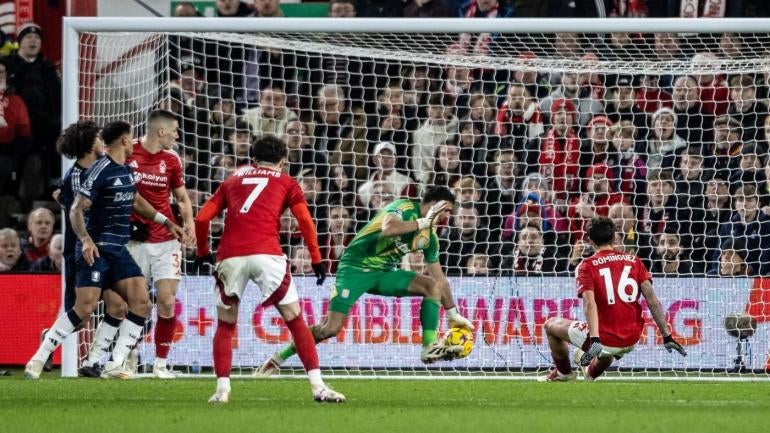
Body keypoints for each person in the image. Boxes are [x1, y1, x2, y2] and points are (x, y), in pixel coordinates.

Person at [25, 121, 184, 380]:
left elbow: (134, 200)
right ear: (123, 140)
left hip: (117, 250)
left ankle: (114, 363)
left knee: (140, 303)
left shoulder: (125, 171)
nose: (135, 143)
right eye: (131, 137)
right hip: (94, 249)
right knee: (84, 311)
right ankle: (39, 357)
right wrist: (86, 240)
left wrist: (166, 222)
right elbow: (76, 209)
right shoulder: (95, 172)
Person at [257, 186, 474, 375]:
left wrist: (453, 315)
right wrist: (422, 222)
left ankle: (428, 347)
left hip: (384, 273)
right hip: (355, 268)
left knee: (432, 286)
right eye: (445, 210)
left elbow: (440, 279)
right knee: (329, 329)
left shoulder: (430, 238)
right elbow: (389, 227)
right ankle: (277, 359)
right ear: (434, 204)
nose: (447, 216)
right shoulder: (405, 207)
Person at [194, 136, 344, 404]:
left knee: (226, 324)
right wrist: (317, 258)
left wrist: (203, 252)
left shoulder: (232, 181)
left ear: (253, 160)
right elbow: (305, 221)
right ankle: (318, 387)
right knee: (296, 321)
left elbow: (202, 217)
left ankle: (222, 390)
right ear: (283, 162)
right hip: (267, 253)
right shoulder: (287, 181)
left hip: (231, 255)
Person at [541, 216, 686, 382]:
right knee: (607, 352)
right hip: (631, 339)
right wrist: (667, 335)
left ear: (590, 240)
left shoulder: (586, 266)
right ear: (614, 237)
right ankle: (590, 373)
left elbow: (589, 304)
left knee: (550, 325)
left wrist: (594, 339)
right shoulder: (635, 261)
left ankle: (564, 374)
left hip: (605, 340)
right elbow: (653, 301)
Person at [108, 109, 196, 378]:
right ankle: (125, 354)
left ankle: (160, 364)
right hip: (133, 239)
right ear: (161, 131)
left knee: (167, 302)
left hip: (166, 240)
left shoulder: (172, 160)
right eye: (175, 131)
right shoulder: (128, 152)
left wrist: (189, 222)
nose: (177, 136)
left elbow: (181, 197)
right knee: (127, 303)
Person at [54, 120, 129, 377]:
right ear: (89, 145)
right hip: (82, 251)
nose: (103, 143)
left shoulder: (101, 170)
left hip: (103, 251)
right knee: (81, 317)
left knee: (119, 306)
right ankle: (48, 340)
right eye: (98, 138)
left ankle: (95, 362)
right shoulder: (75, 177)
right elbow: (78, 211)